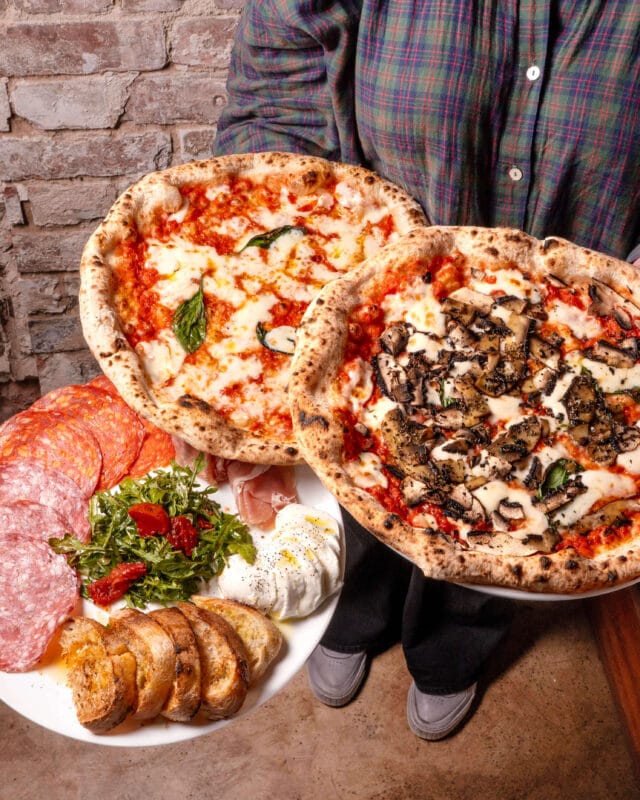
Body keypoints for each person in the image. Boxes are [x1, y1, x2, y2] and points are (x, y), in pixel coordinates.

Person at [212, 1, 640, 740]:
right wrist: (246, 341)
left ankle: (452, 650)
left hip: (583, 344)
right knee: (357, 490)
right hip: (371, 325)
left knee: (518, 518)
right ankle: (353, 615)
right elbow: (275, 114)